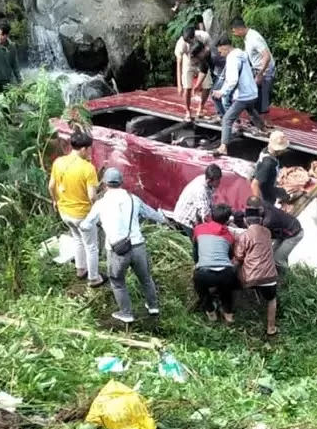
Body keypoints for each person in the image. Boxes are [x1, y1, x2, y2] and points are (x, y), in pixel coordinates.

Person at [80, 168, 166, 323]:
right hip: (138, 245)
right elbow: (152, 214)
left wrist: (87, 226)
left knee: (117, 282)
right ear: (121, 182)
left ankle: (126, 313)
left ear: (105, 184)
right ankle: (153, 306)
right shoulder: (133, 199)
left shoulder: (101, 203)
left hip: (116, 250)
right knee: (146, 278)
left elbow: (86, 225)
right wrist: (165, 219)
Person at [48, 131, 105, 288]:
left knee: (78, 239)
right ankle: (94, 278)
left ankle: (81, 269)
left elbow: (51, 186)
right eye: (89, 149)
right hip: (82, 214)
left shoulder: (59, 162)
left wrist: (55, 200)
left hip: (65, 212)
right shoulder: (87, 168)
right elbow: (92, 196)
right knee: (92, 246)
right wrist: (98, 209)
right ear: (84, 149)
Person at [211, 36, 266, 157]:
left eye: (220, 51)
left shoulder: (232, 58)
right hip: (252, 92)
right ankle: (263, 129)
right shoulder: (241, 53)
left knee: (227, 119)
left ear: (225, 47)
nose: (220, 54)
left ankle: (223, 147)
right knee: (251, 111)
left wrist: (222, 92)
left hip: (244, 96)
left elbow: (233, 80)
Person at [233, 200, 279, 335]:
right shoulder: (267, 232)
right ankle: (271, 327)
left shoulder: (244, 235)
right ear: (260, 220)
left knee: (235, 282)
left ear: (246, 221)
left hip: (250, 278)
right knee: (272, 300)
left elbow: (239, 256)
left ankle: (237, 317)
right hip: (270, 277)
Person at [192, 203, 237, 324]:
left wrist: (197, 263)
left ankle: (210, 312)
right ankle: (228, 314)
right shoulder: (229, 236)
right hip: (225, 274)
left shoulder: (198, 229)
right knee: (226, 291)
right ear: (227, 220)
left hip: (203, 274)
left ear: (211, 216)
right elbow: (230, 256)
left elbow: (195, 251)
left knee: (201, 289)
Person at [231, 17, 276, 117]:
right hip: (257, 69)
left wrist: (261, 74)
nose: (234, 34)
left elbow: (267, 56)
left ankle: (265, 121)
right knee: (255, 94)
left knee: (263, 96)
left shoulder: (254, 38)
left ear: (240, 29)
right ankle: (257, 119)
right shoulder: (247, 37)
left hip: (265, 70)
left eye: (234, 31)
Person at [248, 197, 303, 271]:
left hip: (293, 234)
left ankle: (286, 278)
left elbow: (262, 236)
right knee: (273, 255)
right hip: (283, 231)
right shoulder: (262, 203)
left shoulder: (268, 221)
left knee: (278, 259)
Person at [172, 164, 223, 239]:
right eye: (217, 181)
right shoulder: (200, 190)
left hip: (195, 216)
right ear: (209, 180)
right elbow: (205, 215)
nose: (219, 182)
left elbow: (209, 204)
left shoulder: (206, 180)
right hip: (185, 220)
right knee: (198, 243)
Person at [175, 26, 214, 121]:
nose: (188, 42)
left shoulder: (204, 36)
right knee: (187, 87)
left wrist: (198, 84)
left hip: (202, 59)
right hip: (188, 61)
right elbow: (179, 63)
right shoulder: (181, 44)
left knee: (207, 85)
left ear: (194, 36)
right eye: (186, 40)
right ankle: (188, 111)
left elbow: (210, 50)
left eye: (189, 40)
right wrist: (179, 84)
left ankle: (200, 108)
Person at [251, 131, 290, 204]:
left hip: (270, 185)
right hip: (266, 193)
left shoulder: (266, 150)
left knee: (285, 195)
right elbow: (255, 184)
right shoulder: (268, 164)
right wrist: (258, 203)